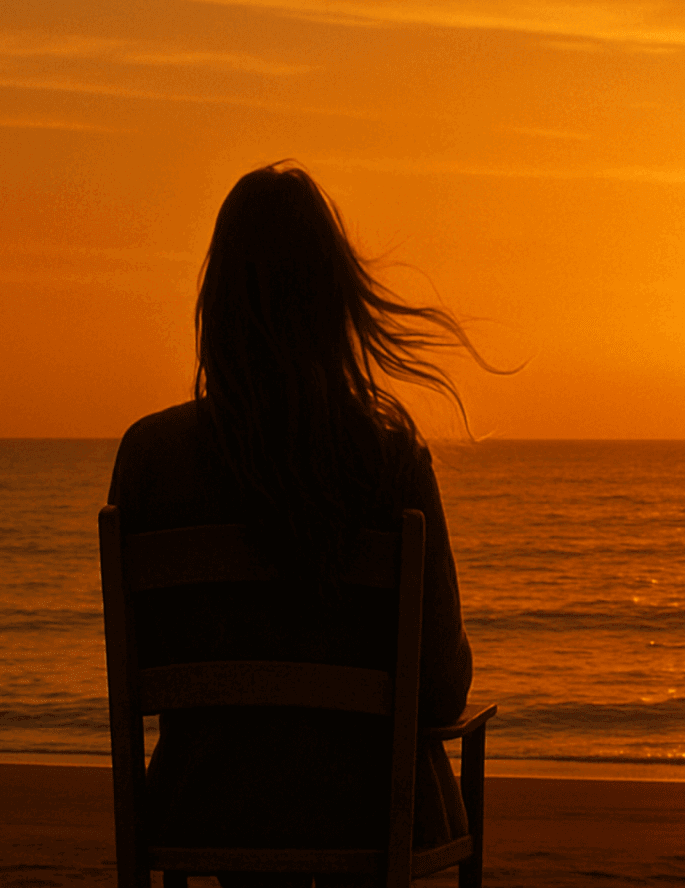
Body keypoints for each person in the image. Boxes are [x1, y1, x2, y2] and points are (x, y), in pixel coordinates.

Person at [107, 163, 496, 883]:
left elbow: (146, 667)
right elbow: (441, 690)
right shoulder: (390, 461)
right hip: (365, 814)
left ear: (215, 303)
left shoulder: (148, 458)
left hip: (203, 807)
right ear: (335, 304)